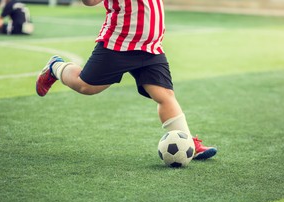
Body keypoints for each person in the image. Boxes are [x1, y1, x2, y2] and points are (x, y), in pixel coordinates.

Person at [36, 0, 217, 160]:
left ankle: (188, 144)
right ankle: (55, 67)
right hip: (119, 44)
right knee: (86, 86)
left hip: (150, 46)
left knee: (164, 95)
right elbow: (90, 2)